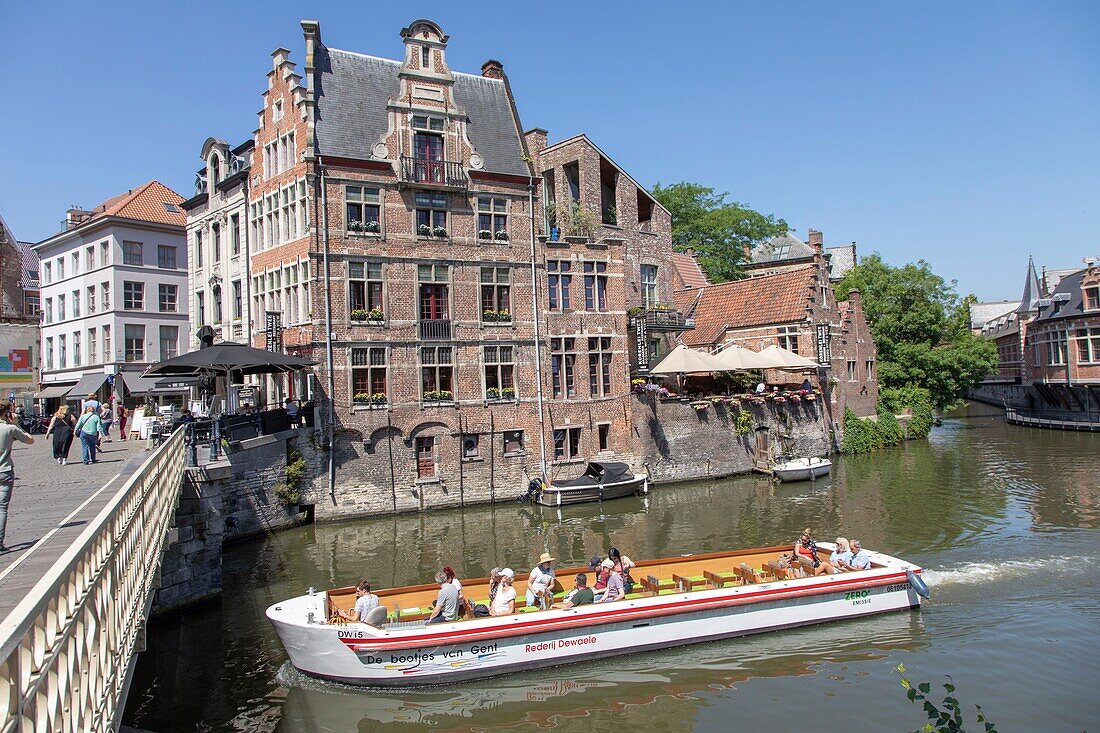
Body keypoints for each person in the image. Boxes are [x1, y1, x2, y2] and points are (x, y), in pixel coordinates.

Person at [0, 403, 35, 552]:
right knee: (1, 507)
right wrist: (16, 424)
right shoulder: (10, 429)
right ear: (7, 413)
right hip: (4, 470)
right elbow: (30, 440)